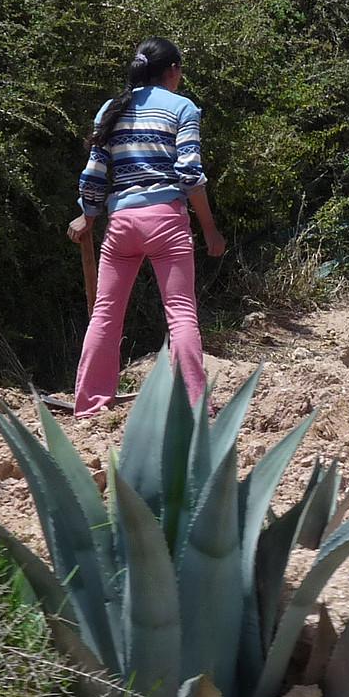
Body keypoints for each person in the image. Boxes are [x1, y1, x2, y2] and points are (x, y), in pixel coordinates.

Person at [68, 38, 227, 417]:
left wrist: (87, 216)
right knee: (181, 311)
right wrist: (210, 230)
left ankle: (90, 404)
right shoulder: (182, 108)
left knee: (105, 313)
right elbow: (190, 175)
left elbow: (94, 173)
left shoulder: (111, 108)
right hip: (166, 220)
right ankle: (191, 407)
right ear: (173, 71)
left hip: (121, 223)